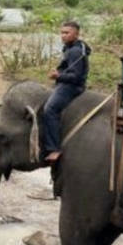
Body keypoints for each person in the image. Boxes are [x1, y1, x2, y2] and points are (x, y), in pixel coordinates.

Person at [41, 21, 91, 164]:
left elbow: (75, 77)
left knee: (50, 109)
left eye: (66, 33)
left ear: (76, 34)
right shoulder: (72, 47)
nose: (63, 36)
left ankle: (54, 148)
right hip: (65, 82)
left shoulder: (75, 52)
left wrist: (58, 76)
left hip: (72, 86)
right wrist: (60, 73)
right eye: (62, 32)